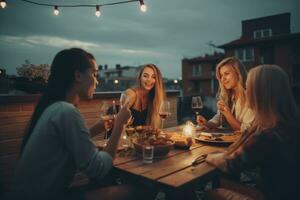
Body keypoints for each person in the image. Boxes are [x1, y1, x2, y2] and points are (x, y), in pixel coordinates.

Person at [8, 48, 136, 200]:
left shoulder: (55, 108)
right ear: (78, 75)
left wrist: (97, 128)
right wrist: (120, 125)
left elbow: (67, 143)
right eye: (94, 74)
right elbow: (98, 169)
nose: (96, 81)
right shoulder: (66, 111)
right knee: (137, 191)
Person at [204, 65, 300, 200]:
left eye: (249, 87)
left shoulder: (268, 136)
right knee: (221, 183)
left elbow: (230, 164)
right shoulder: (290, 124)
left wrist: (208, 156)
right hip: (289, 193)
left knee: (211, 194)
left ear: (259, 93)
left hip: (270, 195)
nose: (246, 90)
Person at [197, 57, 254, 132]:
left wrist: (227, 114)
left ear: (238, 73)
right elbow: (220, 116)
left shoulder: (252, 97)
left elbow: (246, 131)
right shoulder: (227, 95)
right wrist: (207, 123)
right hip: (229, 140)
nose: (222, 79)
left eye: (226, 74)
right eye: (221, 76)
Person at [120, 64, 166, 128]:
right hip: (123, 136)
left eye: (153, 77)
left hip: (141, 137)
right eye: (145, 76)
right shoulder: (131, 94)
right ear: (140, 77)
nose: (149, 80)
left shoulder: (154, 97)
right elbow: (119, 122)